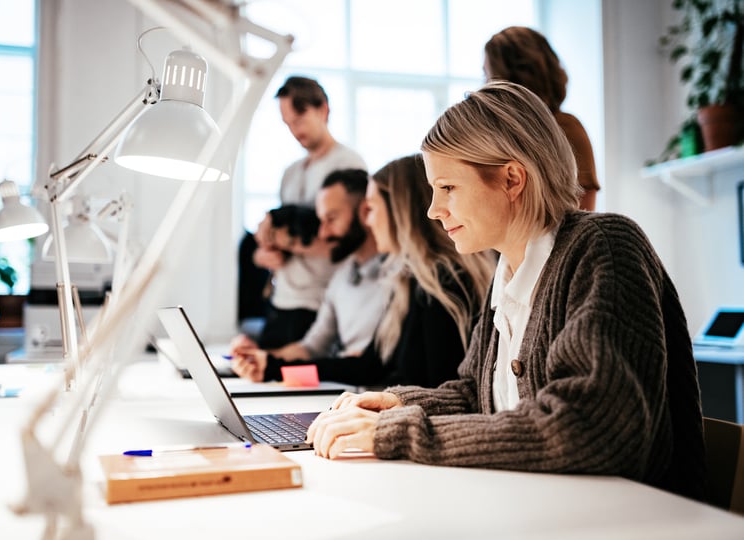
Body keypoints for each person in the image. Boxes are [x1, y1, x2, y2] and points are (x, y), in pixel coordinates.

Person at [306, 82, 705, 502]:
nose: (433, 211)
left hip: (628, 520)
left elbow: (587, 427)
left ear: (512, 178)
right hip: (539, 507)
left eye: (448, 188)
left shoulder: (603, 247)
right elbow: (474, 394)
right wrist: (393, 403)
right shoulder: (509, 268)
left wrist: (397, 431)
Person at [232, 154, 495, 388]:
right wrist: (273, 369)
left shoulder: (442, 282)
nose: (368, 221)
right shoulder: (406, 280)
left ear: (399, 212)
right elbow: (367, 367)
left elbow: (439, 392)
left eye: (371, 210)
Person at [245, 76, 366, 349]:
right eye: (287, 124)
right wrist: (264, 252)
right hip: (281, 299)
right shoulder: (290, 172)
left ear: (323, 109)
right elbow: (273, 237)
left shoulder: (347, 164)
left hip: (318, 303)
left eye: (298, 119)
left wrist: (284, 239)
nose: (294, 130)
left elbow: (348, 241)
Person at [231, 169, 389, 361]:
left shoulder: (397, 277)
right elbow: (312, 347)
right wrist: (255, 357)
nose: (322, 234)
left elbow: (371, 366)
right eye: (321, 221)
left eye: (331, 219)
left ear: (365, 212)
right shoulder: (342, 278)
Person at [483, 26, 601, 211]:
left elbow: (583, 207)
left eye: (488, 74)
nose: (485, 84)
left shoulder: (565, 128)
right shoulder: (497, 135)